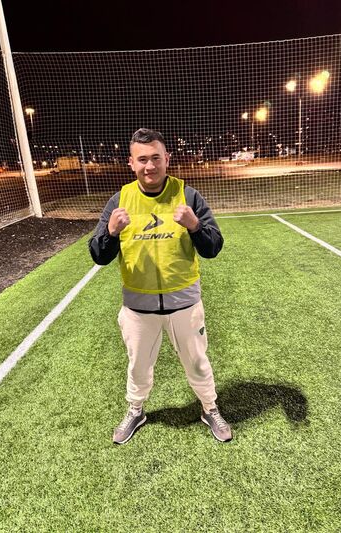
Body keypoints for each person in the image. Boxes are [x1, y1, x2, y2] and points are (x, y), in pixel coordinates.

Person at [89, 128, 232, 444]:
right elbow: (98, 255)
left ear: (167, 158)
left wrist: (195, 226)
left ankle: (210, 408)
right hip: (138, 309)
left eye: (156, 158)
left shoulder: (188, 196)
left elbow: (213, 247)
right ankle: (136, 410)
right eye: (142, 159)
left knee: (198, 362)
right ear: (131, 163)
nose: (150, 166)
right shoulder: (119, 201)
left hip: (185, 305)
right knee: (138, 366)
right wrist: (110, 233)